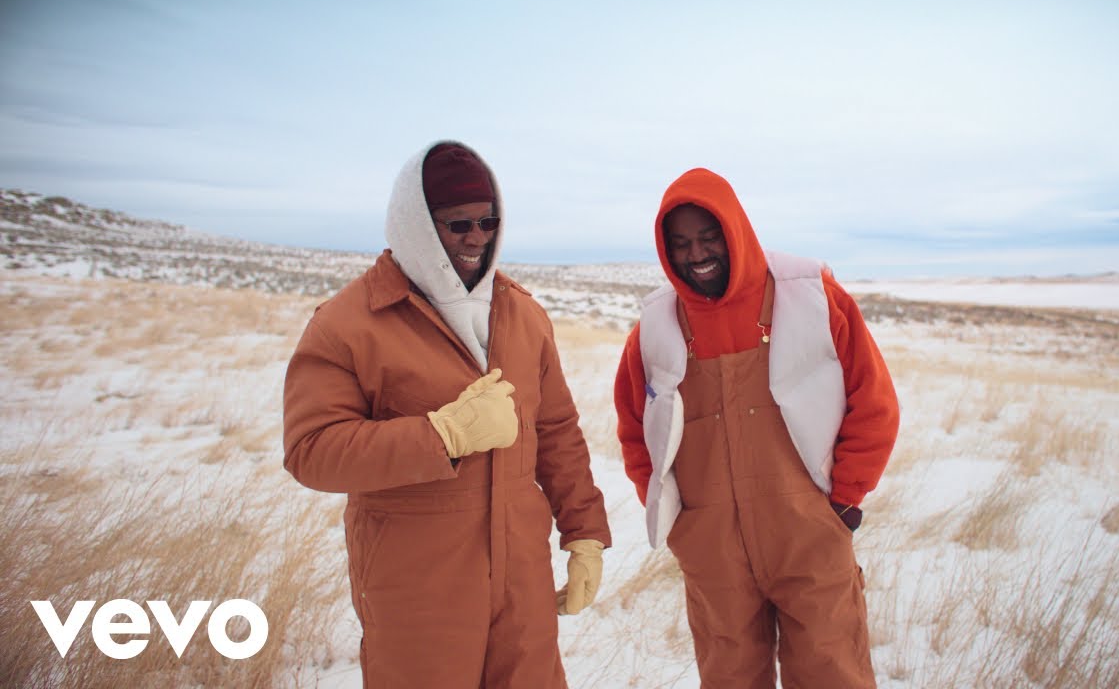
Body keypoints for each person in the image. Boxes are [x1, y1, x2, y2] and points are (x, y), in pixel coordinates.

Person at [283, 140, 611, 688]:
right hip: (415, 586)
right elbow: (311, 451)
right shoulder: (348, 324)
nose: (477, 238)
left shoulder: (523, 316)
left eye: (488, 221)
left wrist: (585, 534)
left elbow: (556, 433)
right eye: (458, 225)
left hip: (522, 581)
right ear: (416, 224)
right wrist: (443, 435)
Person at [613, 167, 899, 688]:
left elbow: (874, 401)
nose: (695, 254)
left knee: (831, 673)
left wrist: (843, 500)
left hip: (808, 534)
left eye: (708, 237)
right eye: (679, 244)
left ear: (735, 230)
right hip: (711, 549)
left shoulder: (811, 296)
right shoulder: (654, 328)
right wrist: (680, 523)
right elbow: (636, 433)